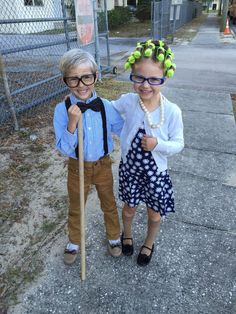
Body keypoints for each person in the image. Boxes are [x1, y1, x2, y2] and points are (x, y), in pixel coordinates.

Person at [111, 39, 184, 266]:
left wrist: (157, 145)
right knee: (129, 208)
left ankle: (149, 242)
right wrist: (81, 101)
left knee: (154, 213)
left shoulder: (171, 111)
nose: (145, 85)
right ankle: (128, 233)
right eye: (139, 78)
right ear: (132, 75)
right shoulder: (129, 102)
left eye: (154, 79)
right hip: (131, 169)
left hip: (156, 174)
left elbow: (179, 143)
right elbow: (108, 108)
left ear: (165, 78)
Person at [53, 48, 124, 265]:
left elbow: (123, 130)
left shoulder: (106, 106)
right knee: (76, 206)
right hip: (77, 167)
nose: (81, 85)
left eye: (86, 77)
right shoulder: (61, 110)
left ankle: (113, 237)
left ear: (95, 76)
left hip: (102, 165)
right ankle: (74, 241)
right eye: (74, 80)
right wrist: (72, 124)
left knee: (109, 203)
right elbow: (64, 149)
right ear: (65, 81)